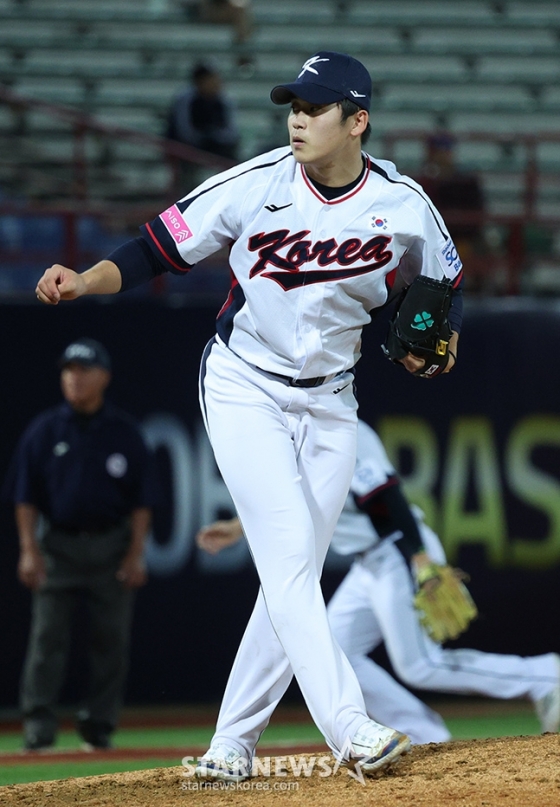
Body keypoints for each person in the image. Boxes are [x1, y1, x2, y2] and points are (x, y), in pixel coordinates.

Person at [34, 51, 464, 780]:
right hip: (244, 384)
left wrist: (438, 350)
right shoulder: (255, 182)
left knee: (288, 572)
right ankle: (351, 726)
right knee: (292, 551)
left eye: (316, 106)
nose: (298, 116)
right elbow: (154, 248)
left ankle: (231, 746)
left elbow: (441, 292)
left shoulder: (404, 204)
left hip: (332, 401)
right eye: (292, 103)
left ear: (357, 120)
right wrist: (86, 279)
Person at [197, 419, 560, 744]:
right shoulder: (288, 432)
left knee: (420, 665)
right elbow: (291, 497)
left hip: (399, 550)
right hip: (368, 563)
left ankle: (544, 675)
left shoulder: (343, 427)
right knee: (336, 650)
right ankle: (424, 733)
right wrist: (236, 527)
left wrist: (419, 559)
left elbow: (387, 497)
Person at [7, 338, 153, 751]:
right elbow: (24, 496)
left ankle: (99, 725)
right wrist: (28, 549)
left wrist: (134, 553)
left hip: (110, 547)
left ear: (103, 376)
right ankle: (38, 727)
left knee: (110, 643)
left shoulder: (124, 431)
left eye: (84, 370)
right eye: (68, 370)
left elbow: (143, 501)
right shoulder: (44, 430)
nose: (74, 378)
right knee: (46, 641)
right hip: (59, 548)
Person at [414, 132, 486, 291]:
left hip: (460, 239)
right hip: (427, 240)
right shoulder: (420, 182)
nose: (441, 156)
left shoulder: (466, 181)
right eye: (437, 152)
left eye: (445, 151)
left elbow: (477, 215)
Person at [166, 62, 240, 193]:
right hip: (187, 147)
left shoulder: (223, 100)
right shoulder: (185, 99)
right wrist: (201, 139)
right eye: (212, 79)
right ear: (200, 81)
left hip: (214, 144)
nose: (216, 83)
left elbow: (231, 131)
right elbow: (184, 130)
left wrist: (214, 137)